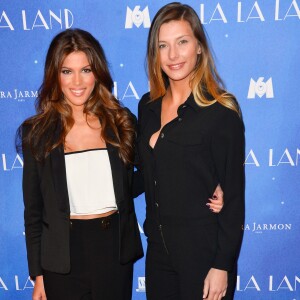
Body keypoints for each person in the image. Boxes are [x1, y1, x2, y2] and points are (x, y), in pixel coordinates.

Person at [20, 28, 143, 300]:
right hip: (62, 257)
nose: (77, 81)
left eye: (85, 70)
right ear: (55, 76)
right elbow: (34, 211)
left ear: (97, 73)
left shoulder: (121, 123)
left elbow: (141, 178)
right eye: (67, 71)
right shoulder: (37, 133)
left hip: (113, 251)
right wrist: (38, 275)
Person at [137, 3, 245, 300]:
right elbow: (145, 174)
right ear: (154, 53)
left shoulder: (221, 111)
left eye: (182, 42)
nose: (173, 55)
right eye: (163, 45)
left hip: (204, 254)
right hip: (158, 254)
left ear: (199, 46)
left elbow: (233, 198)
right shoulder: (147, 107)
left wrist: (222, 265)